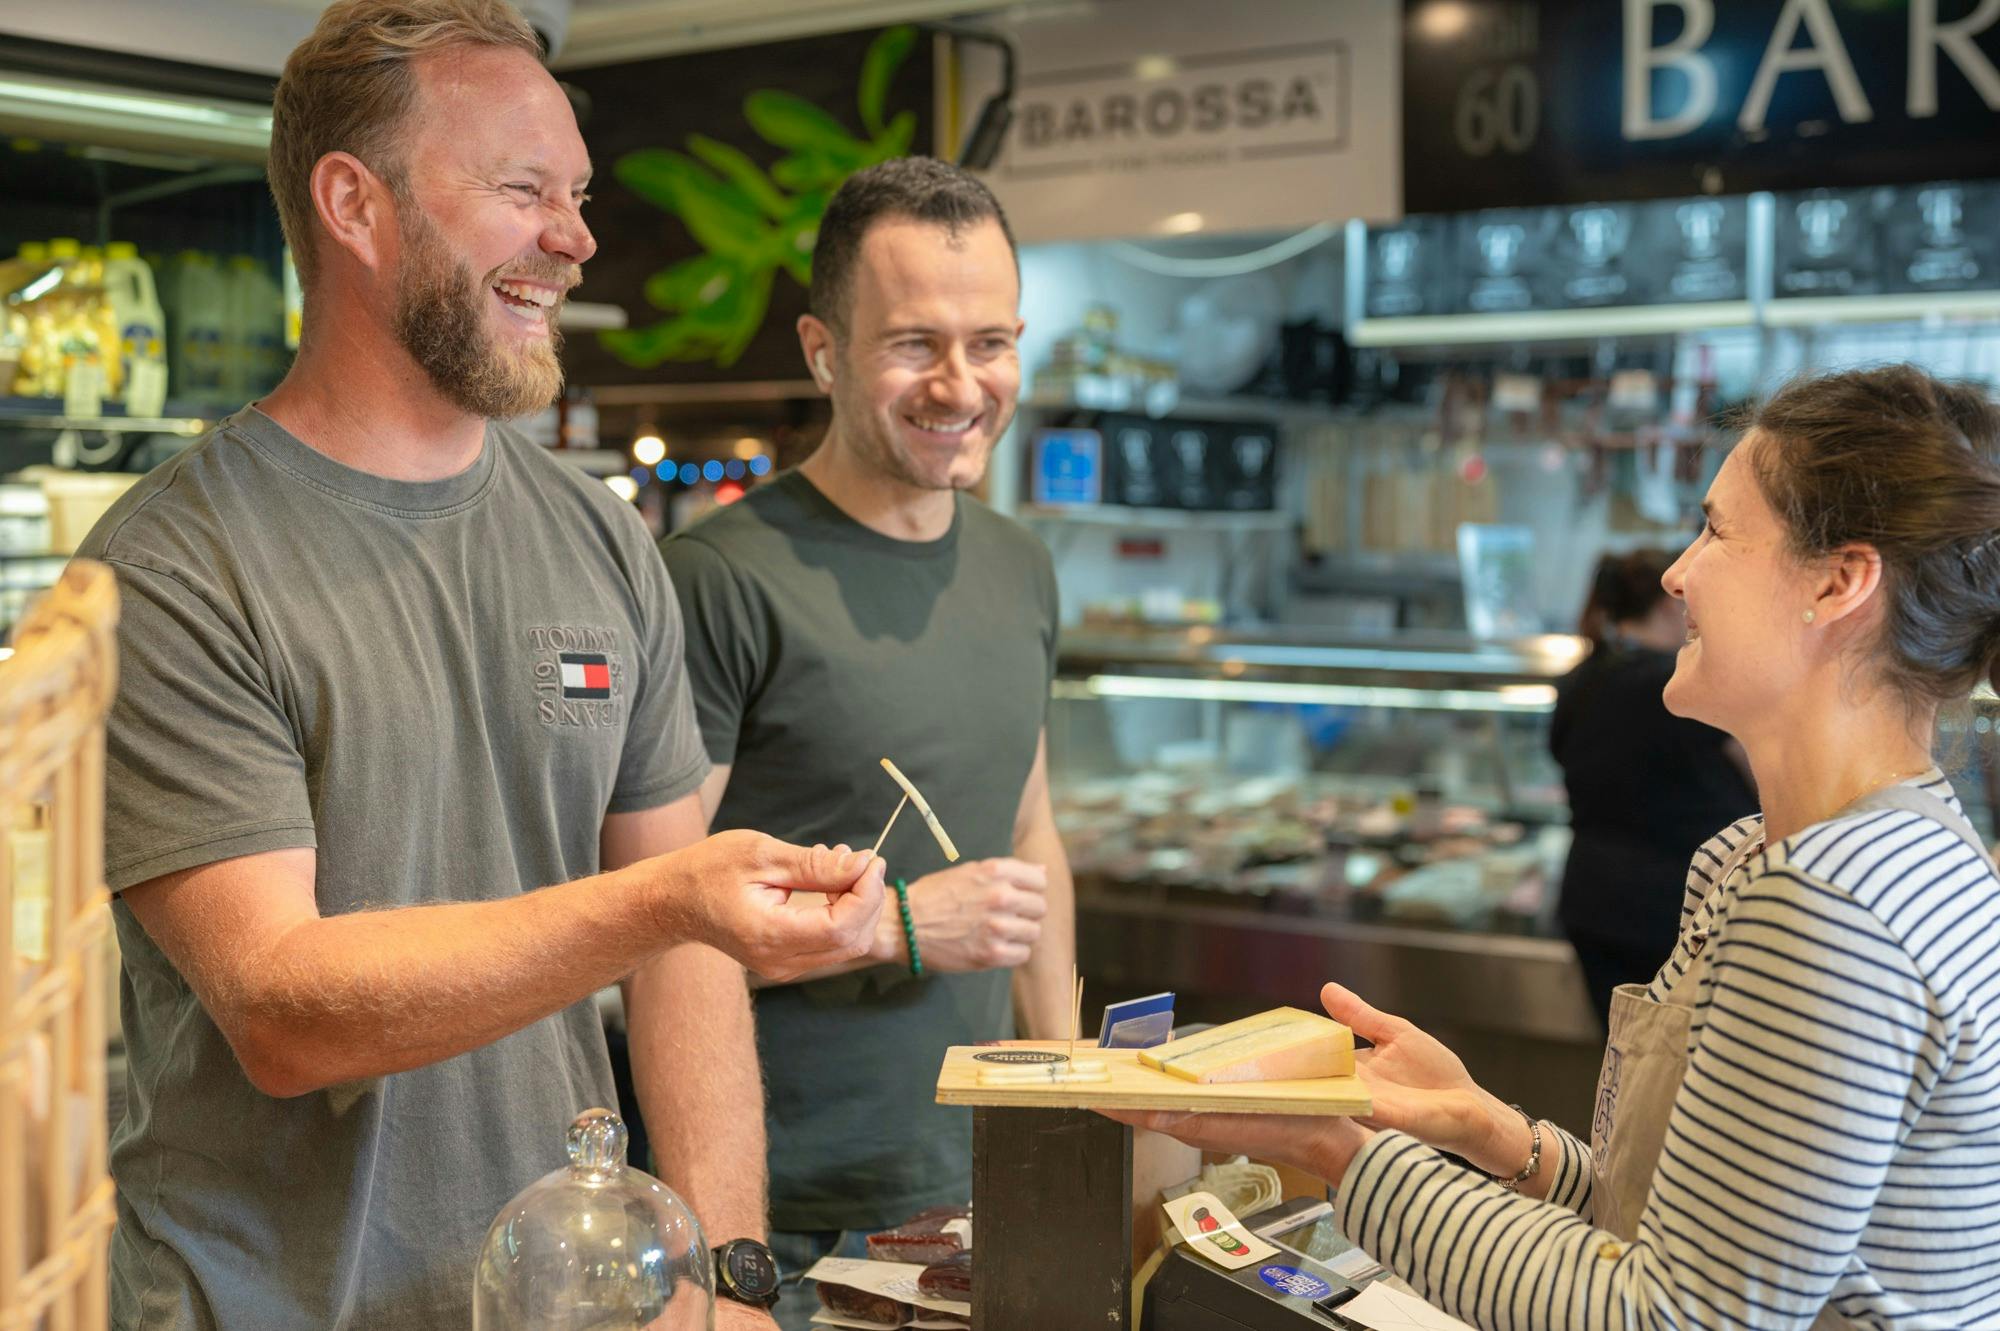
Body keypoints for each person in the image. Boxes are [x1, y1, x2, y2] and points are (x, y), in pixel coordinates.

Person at [75, 4, 882, 1328]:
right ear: (356, 203)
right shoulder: (171, 567)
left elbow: (686, 961)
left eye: (576, 195)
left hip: (557, 1297)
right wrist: (663, 898)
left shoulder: (599, 541)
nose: (575, 239)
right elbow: (286, 1010)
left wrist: (730, 1273)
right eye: (526, 192)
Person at [1113, 364, 2000, 1327]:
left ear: (1837, 582)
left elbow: (1666, 1316)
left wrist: (1337, 1148)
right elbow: (1698, 1246)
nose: (1676, 571)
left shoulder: (1835, 907)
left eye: (1716, 529)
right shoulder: (1797, 855)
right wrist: (1490, 1130)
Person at [658, 157, 1075, 1326]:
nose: (960, 383)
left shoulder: (1018, 564)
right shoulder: (716, 579)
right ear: (820, 348)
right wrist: (894, 927)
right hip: (778, 1217)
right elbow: (641, 926)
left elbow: (1030, 832)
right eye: (912, 345)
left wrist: (1081, 1092)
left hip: (983, 1185)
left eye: (989, 342)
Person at [1553, 549, 1756, 1024]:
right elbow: (1763, 770)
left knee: (1623, 1058)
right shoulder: (1682, 683)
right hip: (1675, 910)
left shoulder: (1580, 678)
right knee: (1669, 1069)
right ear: (1669, 604)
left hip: (1593, 899)